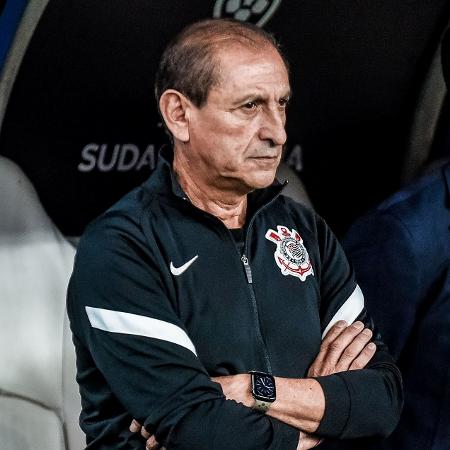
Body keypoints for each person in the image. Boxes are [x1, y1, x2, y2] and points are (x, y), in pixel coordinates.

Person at [67, 18, 402, 450]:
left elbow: (382, 400)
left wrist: (248, 389)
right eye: (249, 106)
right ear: (179, 114)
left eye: (281, 104)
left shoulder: (304, 229)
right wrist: (321, 423)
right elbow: (197, 428)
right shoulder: (122, 246)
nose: (277, 132)